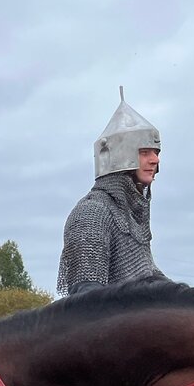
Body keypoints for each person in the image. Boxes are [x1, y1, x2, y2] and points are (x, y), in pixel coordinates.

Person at [57, 88, 162, 296]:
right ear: (122, 156)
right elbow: (87, 299)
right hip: (107, 327)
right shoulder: (91, 214)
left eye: (156, 152)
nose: (155, 160)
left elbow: (150, 279)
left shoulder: (130, 217)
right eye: (144, 152)